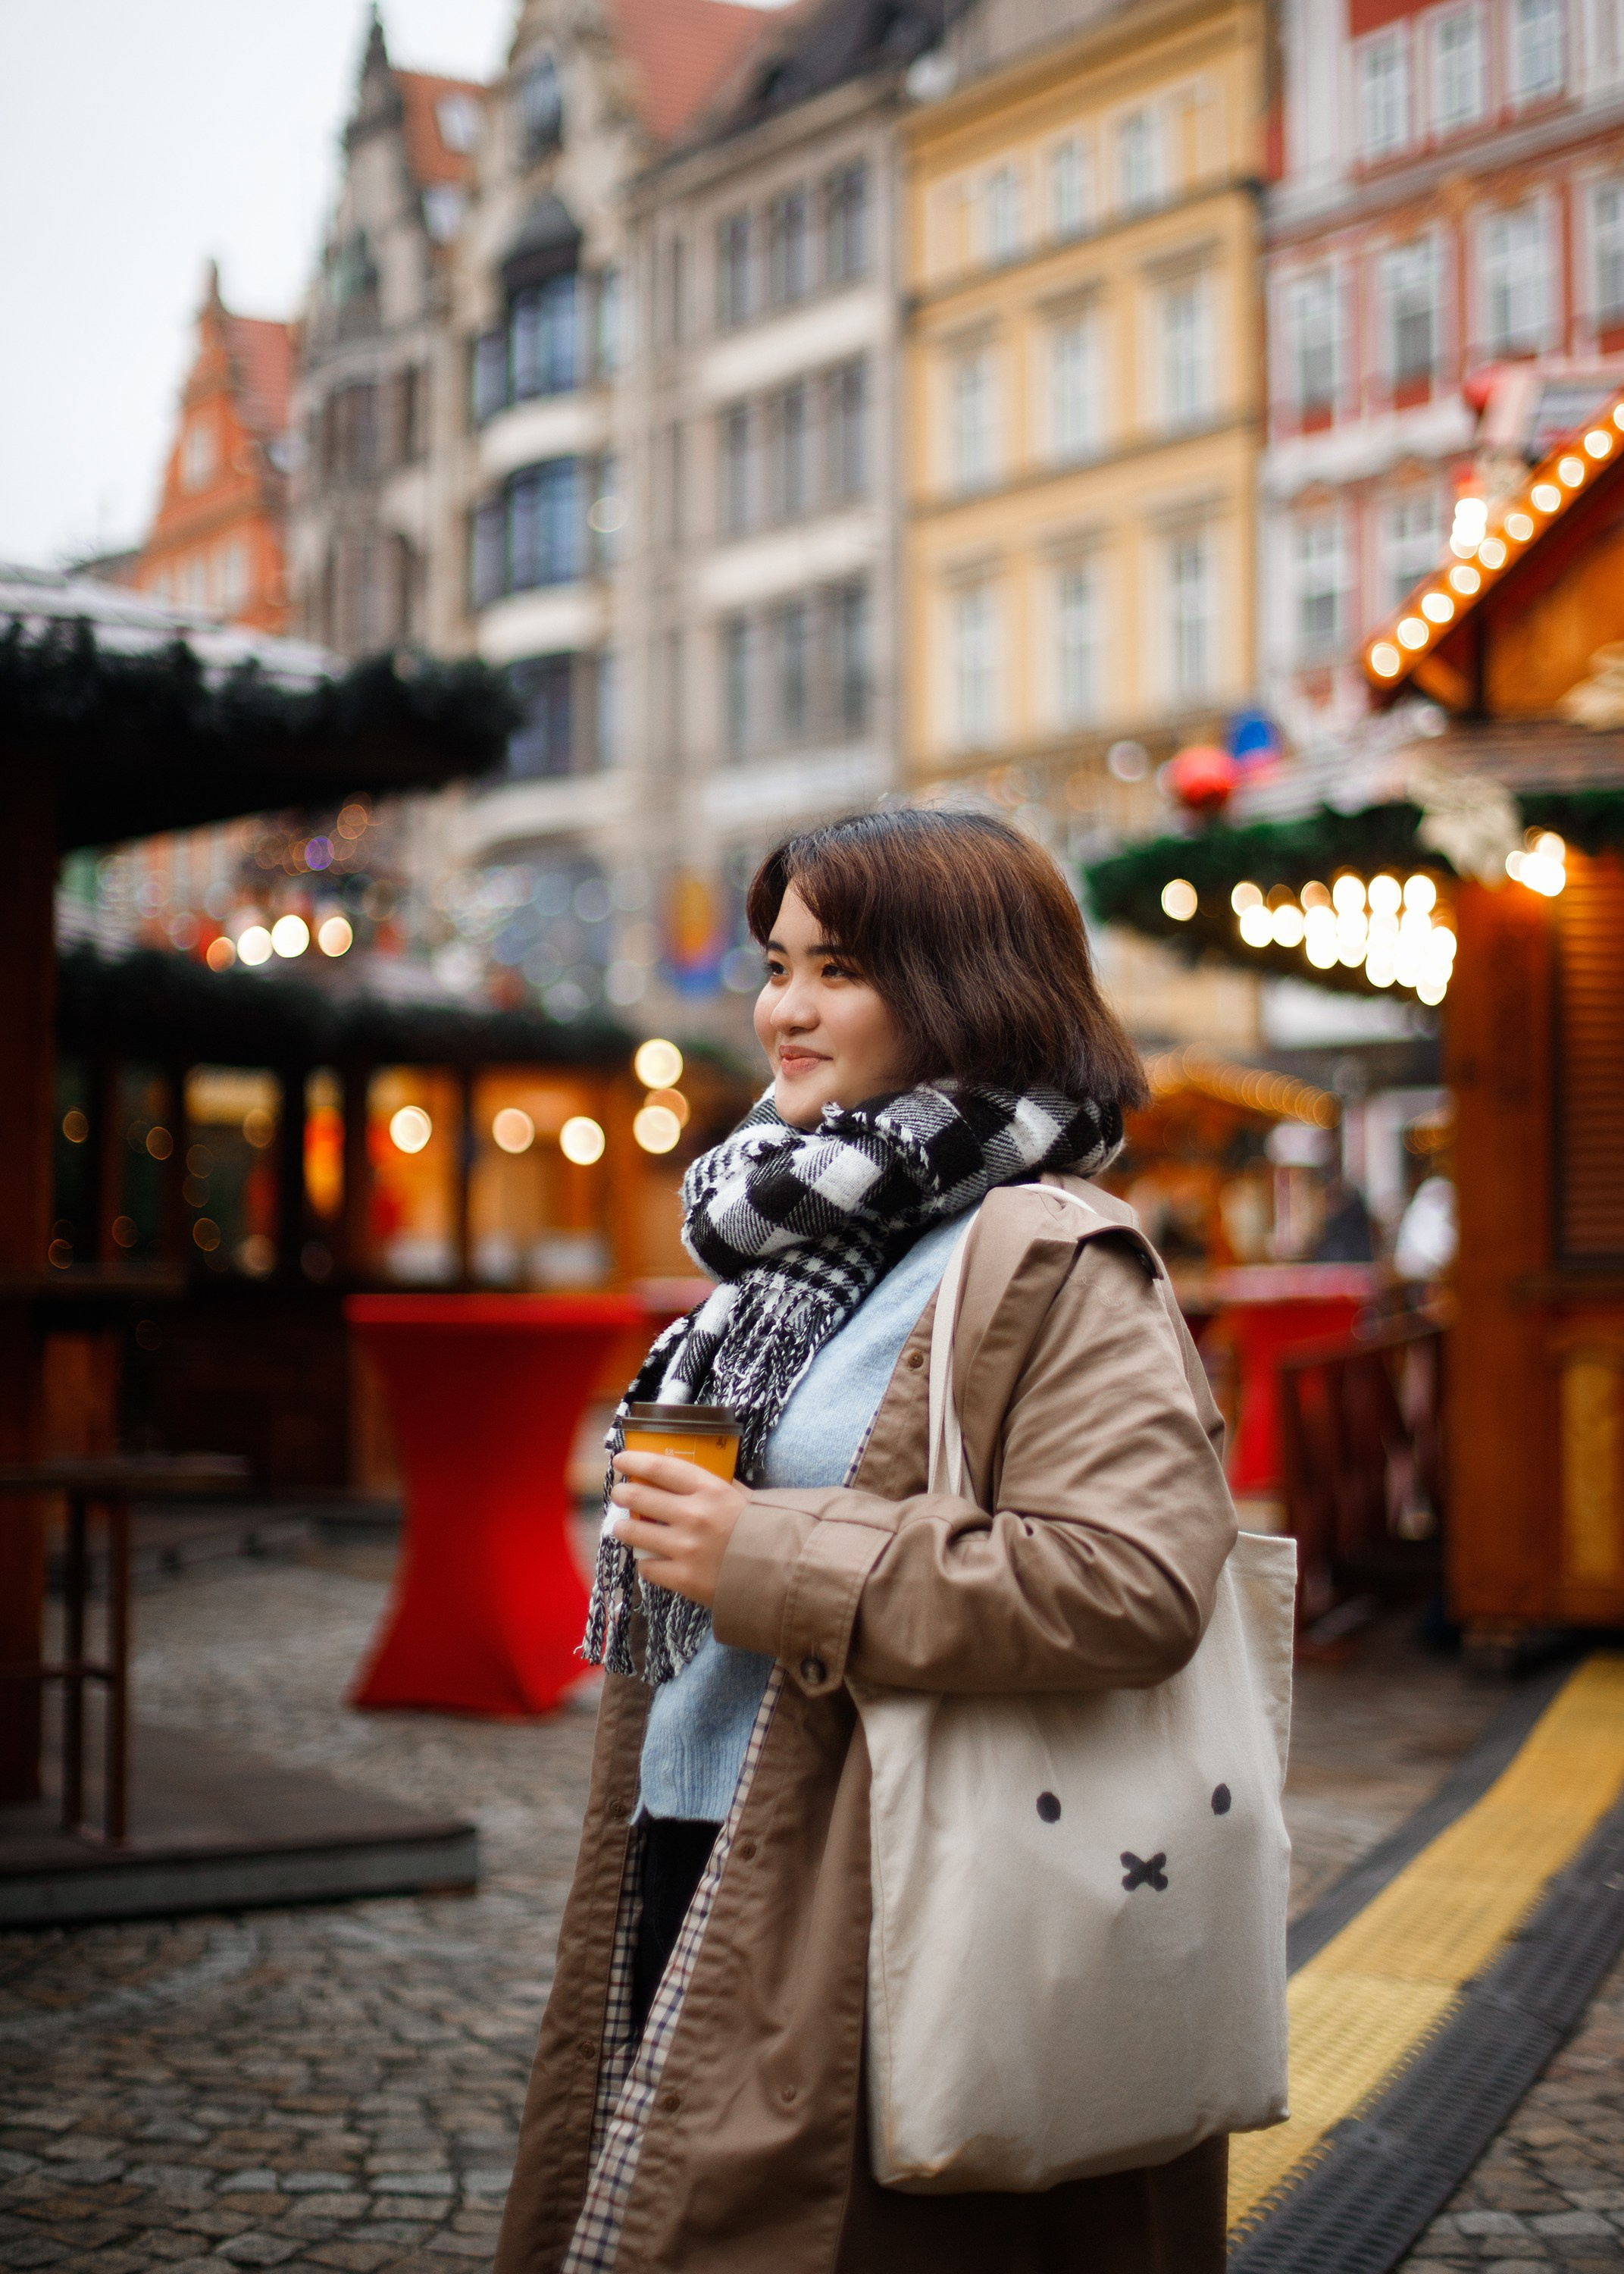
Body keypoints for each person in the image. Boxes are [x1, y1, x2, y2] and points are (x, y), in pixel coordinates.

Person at [494, 808, 1240, 2274]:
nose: (783, 1007)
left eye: (838, 969)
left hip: (892, 1863)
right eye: (777, 966)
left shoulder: (1052, 1250)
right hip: (698, 1827)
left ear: (967, 980)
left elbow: (1137, 1585)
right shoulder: (788, 1237)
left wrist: (760, 1554)